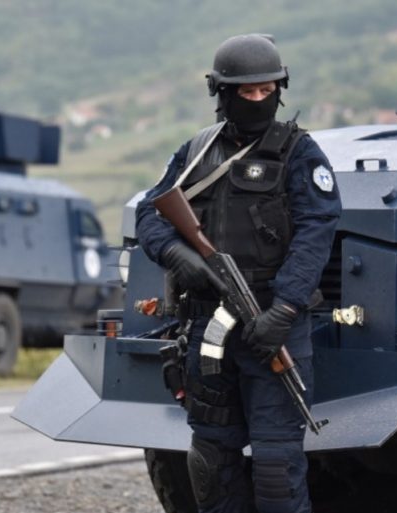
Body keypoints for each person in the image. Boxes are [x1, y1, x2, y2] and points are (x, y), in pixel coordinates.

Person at [135, 34, 342, 513]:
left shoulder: (299, 152)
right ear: (222, 93)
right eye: (247, 92)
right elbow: (150, 210)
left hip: (271, 325)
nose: (257, 99)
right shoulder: (197, 150)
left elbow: (317, 231)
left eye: (266, 90)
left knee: (276, 466)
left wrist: (285, 308)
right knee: (212, 460)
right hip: (207, 329)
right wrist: (175, 254)